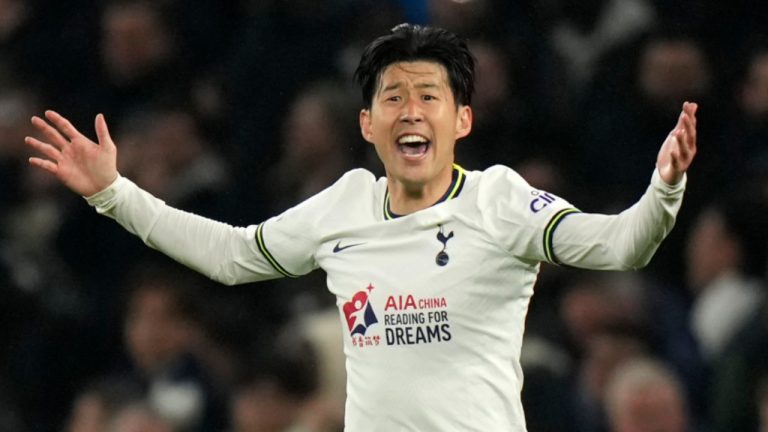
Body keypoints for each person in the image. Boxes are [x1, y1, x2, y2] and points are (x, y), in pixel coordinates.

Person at [24, 23, 697, 431]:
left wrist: (664, 188)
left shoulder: (499, 201)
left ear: (462, 120)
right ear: (368, 124)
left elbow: (623, 246)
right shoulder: (343, 205)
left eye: (429, 96)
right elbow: (232, 256)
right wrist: (114, 193)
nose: (412, 112)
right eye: (393, 98)